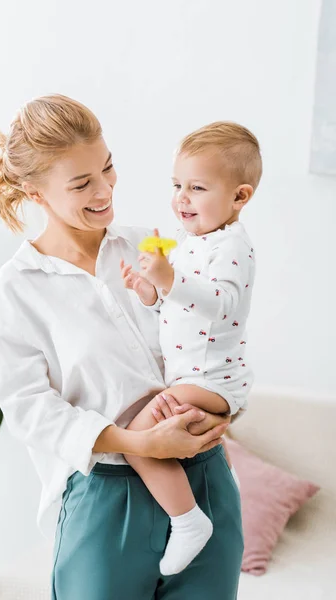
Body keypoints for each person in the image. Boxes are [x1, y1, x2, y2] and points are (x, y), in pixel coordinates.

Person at [0, 94, 242, 600]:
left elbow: (208, 338)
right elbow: (29, 409)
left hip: (205, 477)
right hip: (108, 500)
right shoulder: (19, 288)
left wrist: (221, 410)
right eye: (81, 183)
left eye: (107, 168)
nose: (104, 190)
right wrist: (139, 444)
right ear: (34, 192)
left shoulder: (152, 244)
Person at [120, 121, 260, 575]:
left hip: (213, 380)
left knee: (137, 442)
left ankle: (188, 520)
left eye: (197, 187)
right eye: (177, 184)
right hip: (191, 377)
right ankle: (187, 512)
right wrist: (149, 290)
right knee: (147, 439)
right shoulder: (187, 244)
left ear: (240, 197)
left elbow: (221, 303)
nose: (182, 197)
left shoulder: (233, 246)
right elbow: (172, 307)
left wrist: (170, 280)